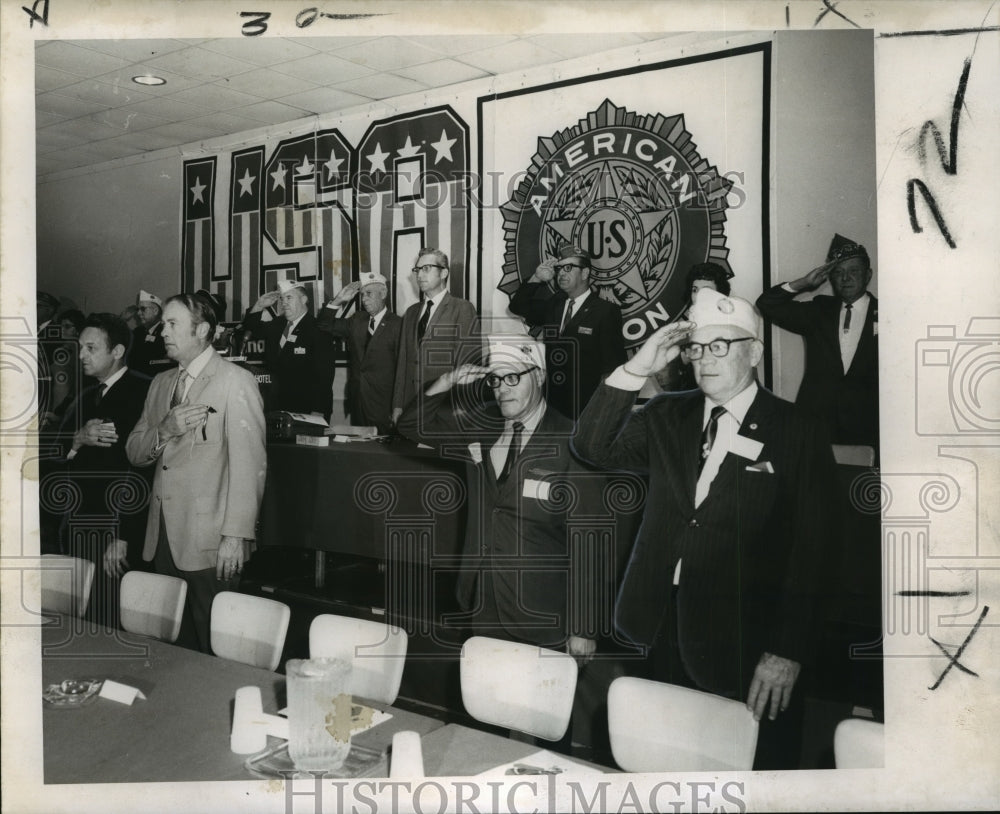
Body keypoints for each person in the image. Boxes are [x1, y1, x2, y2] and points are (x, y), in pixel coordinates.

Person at [572, 288, 836, 769]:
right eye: (697, 347)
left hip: (745, 637)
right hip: (661, 625)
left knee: (738, 772)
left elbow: (813, 551)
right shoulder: (667, 412)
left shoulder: (797, 430)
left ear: (753, 352)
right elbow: (591, 447)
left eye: (721, 346)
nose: (704, 360)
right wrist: (638, 367)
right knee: (661, 763)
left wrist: (787, 650)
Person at [398, 335, 609, 653]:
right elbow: (411, 424)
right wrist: (447, 380)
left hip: (542, 611)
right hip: (481, 599)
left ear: (538, 376)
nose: (501, 388)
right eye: (495, 379)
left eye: (512, 377)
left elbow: (590, 541)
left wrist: (584, 627)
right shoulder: (481, 426)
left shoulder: (574, 440)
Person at [126, 293, 266, 652]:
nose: (162, 332)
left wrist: (235, 536)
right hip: (163, 540)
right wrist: (166, 429)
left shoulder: (236, 381)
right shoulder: (160, 384)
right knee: (171, 646)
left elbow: (250, 467)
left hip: (212, 542)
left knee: (215, 646)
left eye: (172, 324)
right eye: (163, 324)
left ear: (202, 329)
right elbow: (135, 452)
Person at [55, 313, 152, 627]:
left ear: (118, 351)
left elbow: (141, 469)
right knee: (80, 615)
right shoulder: (85, 395)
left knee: (110, 618)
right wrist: (78, 439)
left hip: (115, 529)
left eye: (90, 348)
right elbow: (57, 454)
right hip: (78, 525)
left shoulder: (143, 392)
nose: (81, 355)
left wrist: (123, 535)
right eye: (80, 347)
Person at [756, 234, 878, 451]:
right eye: (838, 272)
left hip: (868, 428)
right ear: (830, 278)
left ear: (868, 275)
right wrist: (803, 283)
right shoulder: (819, 311)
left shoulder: (891, 314)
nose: (845, 278)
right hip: (817, 426)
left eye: (854, 271)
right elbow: (767, 304)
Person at [508, 243, 626, 419]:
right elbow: (518, 306)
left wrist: (603, 411)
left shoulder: (605, 311)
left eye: (568, 268)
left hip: (586, 408)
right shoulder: (553, 306)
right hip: (550, 406)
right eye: (559, 268)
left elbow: (612, 367)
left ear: (585, 273)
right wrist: (536, 278)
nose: (561, 273)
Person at [391, 248, 477, 425]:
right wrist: (397, 405)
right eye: (417, 270)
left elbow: (467, 362)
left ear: (444, 272)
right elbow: (402, 362)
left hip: (444, 405)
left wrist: (462, 406)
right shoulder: (411, 312)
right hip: (410, 405)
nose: (419, 275)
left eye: (426, 268)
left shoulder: (462, 308)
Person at [316, 271, 402, 433]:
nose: (364, 299)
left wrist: (398, 406)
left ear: (383, 293)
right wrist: (338, 300)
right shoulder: (357, 320)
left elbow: (403, 371)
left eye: (369, 294)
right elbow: (323, 326)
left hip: (384, 406)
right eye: (362, 295)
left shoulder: (398, 325)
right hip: (358, 402)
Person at [241, 279, 336, 419]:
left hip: (307, 408)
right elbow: (250, 327)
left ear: (304, 299)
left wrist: (318, 410)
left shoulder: (318, 328)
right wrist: (260, 305)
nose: (284, 303)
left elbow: (325, 375)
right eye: (282, 298)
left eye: (289, 298)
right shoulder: (277, 324)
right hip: (276, 406)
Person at [657, 262, 734, 393]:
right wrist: (683, 357)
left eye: (706, 291)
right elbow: (666, 381)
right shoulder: (683, 330)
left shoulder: (733, 328)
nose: (698, 296)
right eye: (695, 290)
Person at [127, 290, 172, 377]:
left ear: (155, 311)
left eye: (143, 309)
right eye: (138, 309)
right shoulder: (138, 332)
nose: (138, 313)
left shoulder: (166, 332)